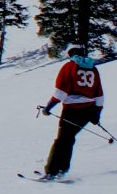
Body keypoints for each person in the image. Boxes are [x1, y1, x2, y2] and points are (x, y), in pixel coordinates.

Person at [41, 45, 105, 179]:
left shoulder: (69, 67)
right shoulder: (93, 68)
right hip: (88, 110)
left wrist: (48, 108)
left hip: (72, 110)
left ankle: (51, 172)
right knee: (68, 138)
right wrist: (96, 114)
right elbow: (99, 94)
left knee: (62, 140)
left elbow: (60, 92)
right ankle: (62, 169)